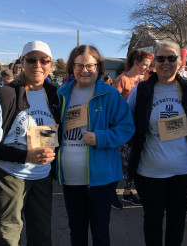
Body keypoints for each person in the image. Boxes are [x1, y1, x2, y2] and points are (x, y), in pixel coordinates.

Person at [57, 44, 135, 246]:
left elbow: (127, 128)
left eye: (90, 65)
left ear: (99, 67)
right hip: (70, 177)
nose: (84, 70)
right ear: (72, 68)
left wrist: (101, 137)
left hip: (101, 178)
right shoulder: (61, 94)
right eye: (79, 65)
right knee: (77, 230)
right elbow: (52, 127)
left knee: (100, 231)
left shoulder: (110, 94)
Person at [128, 41, 187, 246]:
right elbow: (124, 122)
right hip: (149, 172)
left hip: (184, 173)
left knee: (177, 223)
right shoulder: (141, 90)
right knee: (152, 222)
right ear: (154, 61)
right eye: (161, 58)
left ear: (180, 61)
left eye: (171, 58)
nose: (166, 63)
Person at [0, 40, 61, 246]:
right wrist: (26, 156)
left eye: (44, 60)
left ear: (51, 64)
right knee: (7, 238)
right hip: (10, 176)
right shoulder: (5, 95)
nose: (38, 65)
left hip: (41, 177)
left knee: (41, 237)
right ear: (22, 61)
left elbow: (50, 132)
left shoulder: (53, 94)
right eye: (32, 59)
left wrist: (51, 154)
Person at [112, 49, 151, 208]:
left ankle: (127, 193)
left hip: (137, 128)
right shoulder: (123, 79)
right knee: (123, 163)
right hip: (123, 129)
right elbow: (112, 103)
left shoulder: (141, 79)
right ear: (136, 62)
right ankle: (111, 193)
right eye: (145, 65)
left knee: (133, 162)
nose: (147, 69)